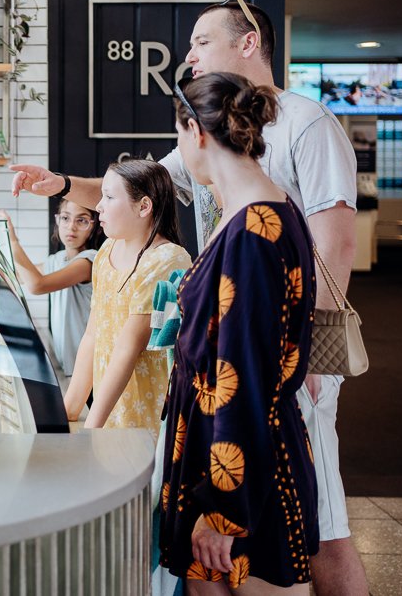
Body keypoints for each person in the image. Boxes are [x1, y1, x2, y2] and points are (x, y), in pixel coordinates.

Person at [9, 0, 364, 596]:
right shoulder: (237, 182)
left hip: (263, 421)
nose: (190, 54)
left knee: (324, 532)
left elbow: (336, 242)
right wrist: (66, 185)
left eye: (201, 41)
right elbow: (146, 180)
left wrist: (306, 357)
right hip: (232, 431)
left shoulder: (301, 135)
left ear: (248, 42)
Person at [159, 72, 318, 593]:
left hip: (242, 477)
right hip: (226, 460)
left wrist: (224, 509)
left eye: (178, 136)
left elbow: (243, 377)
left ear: (196, 133)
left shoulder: (253, 231)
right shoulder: (249, 215)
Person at [65, 160, 191, 435]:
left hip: (148, 422)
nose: (98, 206)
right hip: (108, 413)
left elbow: (128, 348)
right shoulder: (106, 250)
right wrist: (70, 411)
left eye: (109, 197)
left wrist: (90, 430)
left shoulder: (168, 259)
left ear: (144, 207)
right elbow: (93, 335)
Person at [0, 200, 104, 376]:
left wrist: (13, 240)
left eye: (82, 220)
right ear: (58, 221)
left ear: (94, 226)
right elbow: (19, 276)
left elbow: (37, 285)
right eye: (65, 218)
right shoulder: (57, 260)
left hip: (89, 369)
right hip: (71, 367)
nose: (71, 227)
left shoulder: (88, 261)